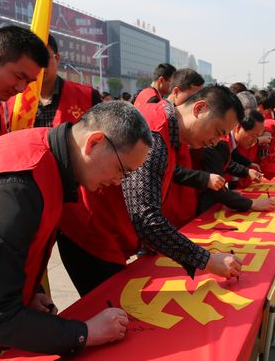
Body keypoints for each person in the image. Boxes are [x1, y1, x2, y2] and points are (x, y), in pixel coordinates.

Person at [0, 101, 152, 360]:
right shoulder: (18, 187)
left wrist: (30, 292)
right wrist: (86, 332)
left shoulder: (47, 154)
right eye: (122, 170)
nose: (118, 182)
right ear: (94, 142)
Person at [58, 85, 245, 296]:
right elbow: (146, 219)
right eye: (218, 132)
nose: (215, 142)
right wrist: (208, 260)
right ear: (199, 108)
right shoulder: (154, 135)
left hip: (109, 234)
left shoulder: (169, 130)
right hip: (92, 237)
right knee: (116, 307)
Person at [5, 34, 102, 128]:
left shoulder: (88, 96)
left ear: (57, 58)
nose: (40, 66)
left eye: (44, 58)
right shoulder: (10, 100)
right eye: (32, 59)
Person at [197, 110, 274, 213]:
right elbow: (217, 188)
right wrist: (252, 204)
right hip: (199, 202)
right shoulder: (218, 142)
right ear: (238, 127)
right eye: (253, 136)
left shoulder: (229, 143)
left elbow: (227, 162)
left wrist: (247, 171)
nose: (254, 142)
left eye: (257, 137)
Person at [162, 68, 211, 227]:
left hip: (184, 196)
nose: (196, 104)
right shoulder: (160, 122)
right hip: (168, 201)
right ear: (176, 92)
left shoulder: (183, 122)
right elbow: (166, 167)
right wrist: (204, 179)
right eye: (192, 97)